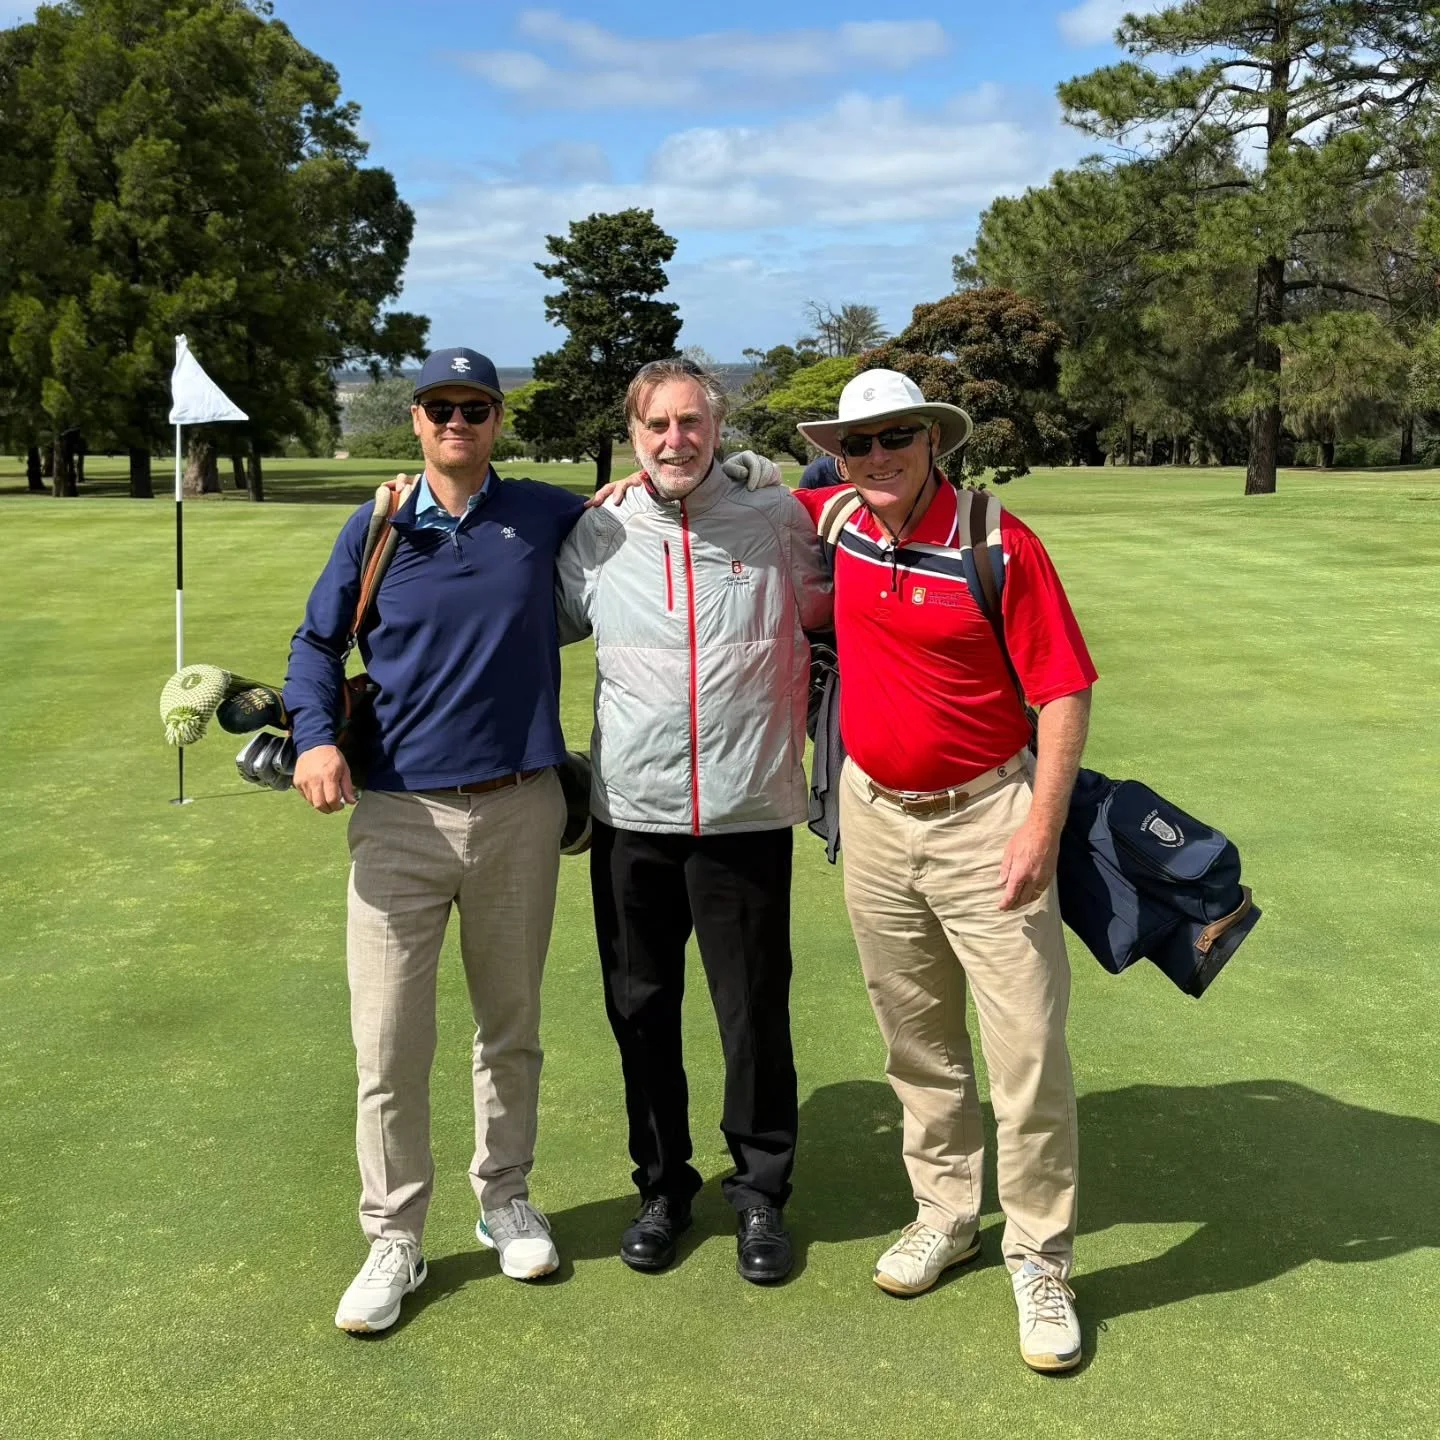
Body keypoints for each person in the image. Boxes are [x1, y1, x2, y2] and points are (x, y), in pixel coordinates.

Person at [286, 347, 782, 1335]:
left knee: (508, 1030)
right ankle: (394, 1232)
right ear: (418, 419)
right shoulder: (380, 521)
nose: (457, 421)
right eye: (440, 407)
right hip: (395, 816)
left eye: (475, 406)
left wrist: (751, 469)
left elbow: (653, 492)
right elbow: (316, 643)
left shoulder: (551, 515)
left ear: (497, 422)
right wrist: (310, 741)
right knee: (389, 1042)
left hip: (519, 809)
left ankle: (505, 1196)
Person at [791, 369, 1097, 1372]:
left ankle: (1040, 1256)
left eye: (896, 438)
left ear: (934, 441)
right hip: (876, 819)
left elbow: (1062, 692)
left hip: (987, 818)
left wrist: (1038, 828)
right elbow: (731, 492)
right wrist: (632, 488)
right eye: (857, 442)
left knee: (1027, 1055)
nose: (876, 456)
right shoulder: (834, 515)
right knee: (917, 1041)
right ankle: (945, 1212)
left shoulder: (997, 541)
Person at [555, 359, 832, 1284]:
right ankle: (661, 1186)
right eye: (657, 426)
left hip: (747, 813)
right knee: (640, 1010)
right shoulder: (597, 531)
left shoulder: (775, 518)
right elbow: (518, 621)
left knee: (752, 1013)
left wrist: (773, 475)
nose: (676, 441)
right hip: (633, 813)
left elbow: (841, 603)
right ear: (633, 435)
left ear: (718, 428)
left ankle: (760, 1194)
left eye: (692, 423)